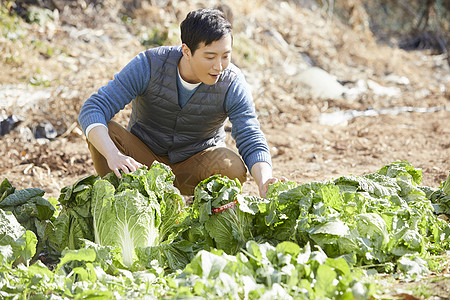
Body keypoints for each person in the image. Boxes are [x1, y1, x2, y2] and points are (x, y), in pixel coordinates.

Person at [78, 8, 284, 198]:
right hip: (143, 164)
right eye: (210, 56)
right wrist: (113, 155)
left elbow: (250, 134)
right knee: (108, 131)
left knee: (231, 167)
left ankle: (201, 207)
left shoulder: (232, 82)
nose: (219, 66)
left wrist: (265, 180)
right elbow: (93, 108)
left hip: (195, 165)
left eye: (225, 56)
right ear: (186, 51)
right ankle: (122, 200)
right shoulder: (149, 65)